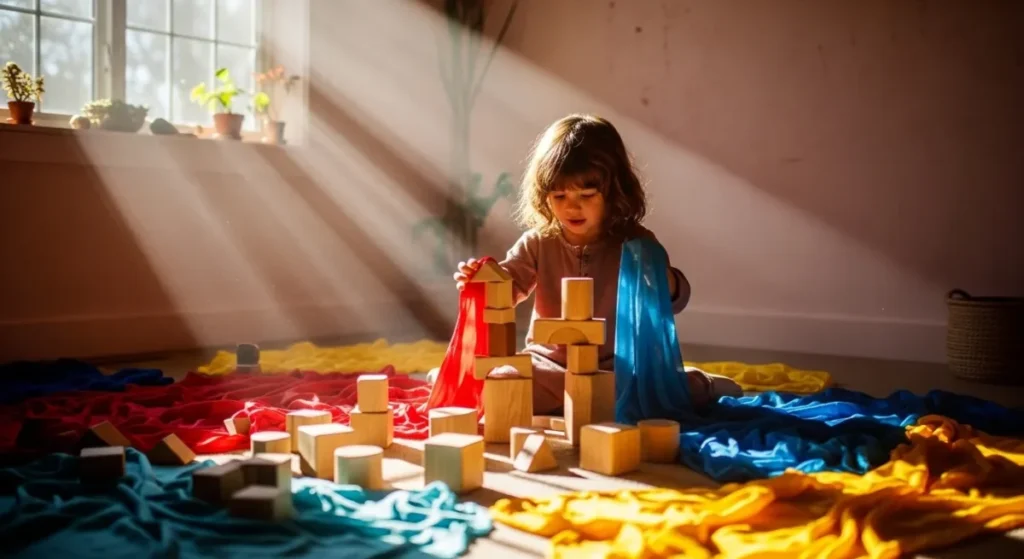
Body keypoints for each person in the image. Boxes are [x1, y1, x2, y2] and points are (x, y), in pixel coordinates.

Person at [443, 113, 743, 414]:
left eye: (586, 194)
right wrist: (483, 278)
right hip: (548, 364)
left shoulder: (635, 242)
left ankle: (702, 384)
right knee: (503, 382)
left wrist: (665, 280)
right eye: (559, 195)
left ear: (614, 192)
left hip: (616, 364)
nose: (572, 206)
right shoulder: (538, 241)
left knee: (651, 396)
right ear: (544, 197)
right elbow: (508, 288)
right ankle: (486, 385)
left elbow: (673, 300)